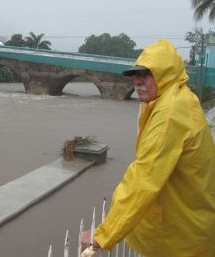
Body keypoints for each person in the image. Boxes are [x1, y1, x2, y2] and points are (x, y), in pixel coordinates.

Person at [82, 39, 215, 257]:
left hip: (183, 241)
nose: (138, 81)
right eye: (136, 75)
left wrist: (102, 235)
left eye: (146, 74)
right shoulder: (174, 100)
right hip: (187, 228)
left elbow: (144, 177)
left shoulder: (170, 113)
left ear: (165, 75)